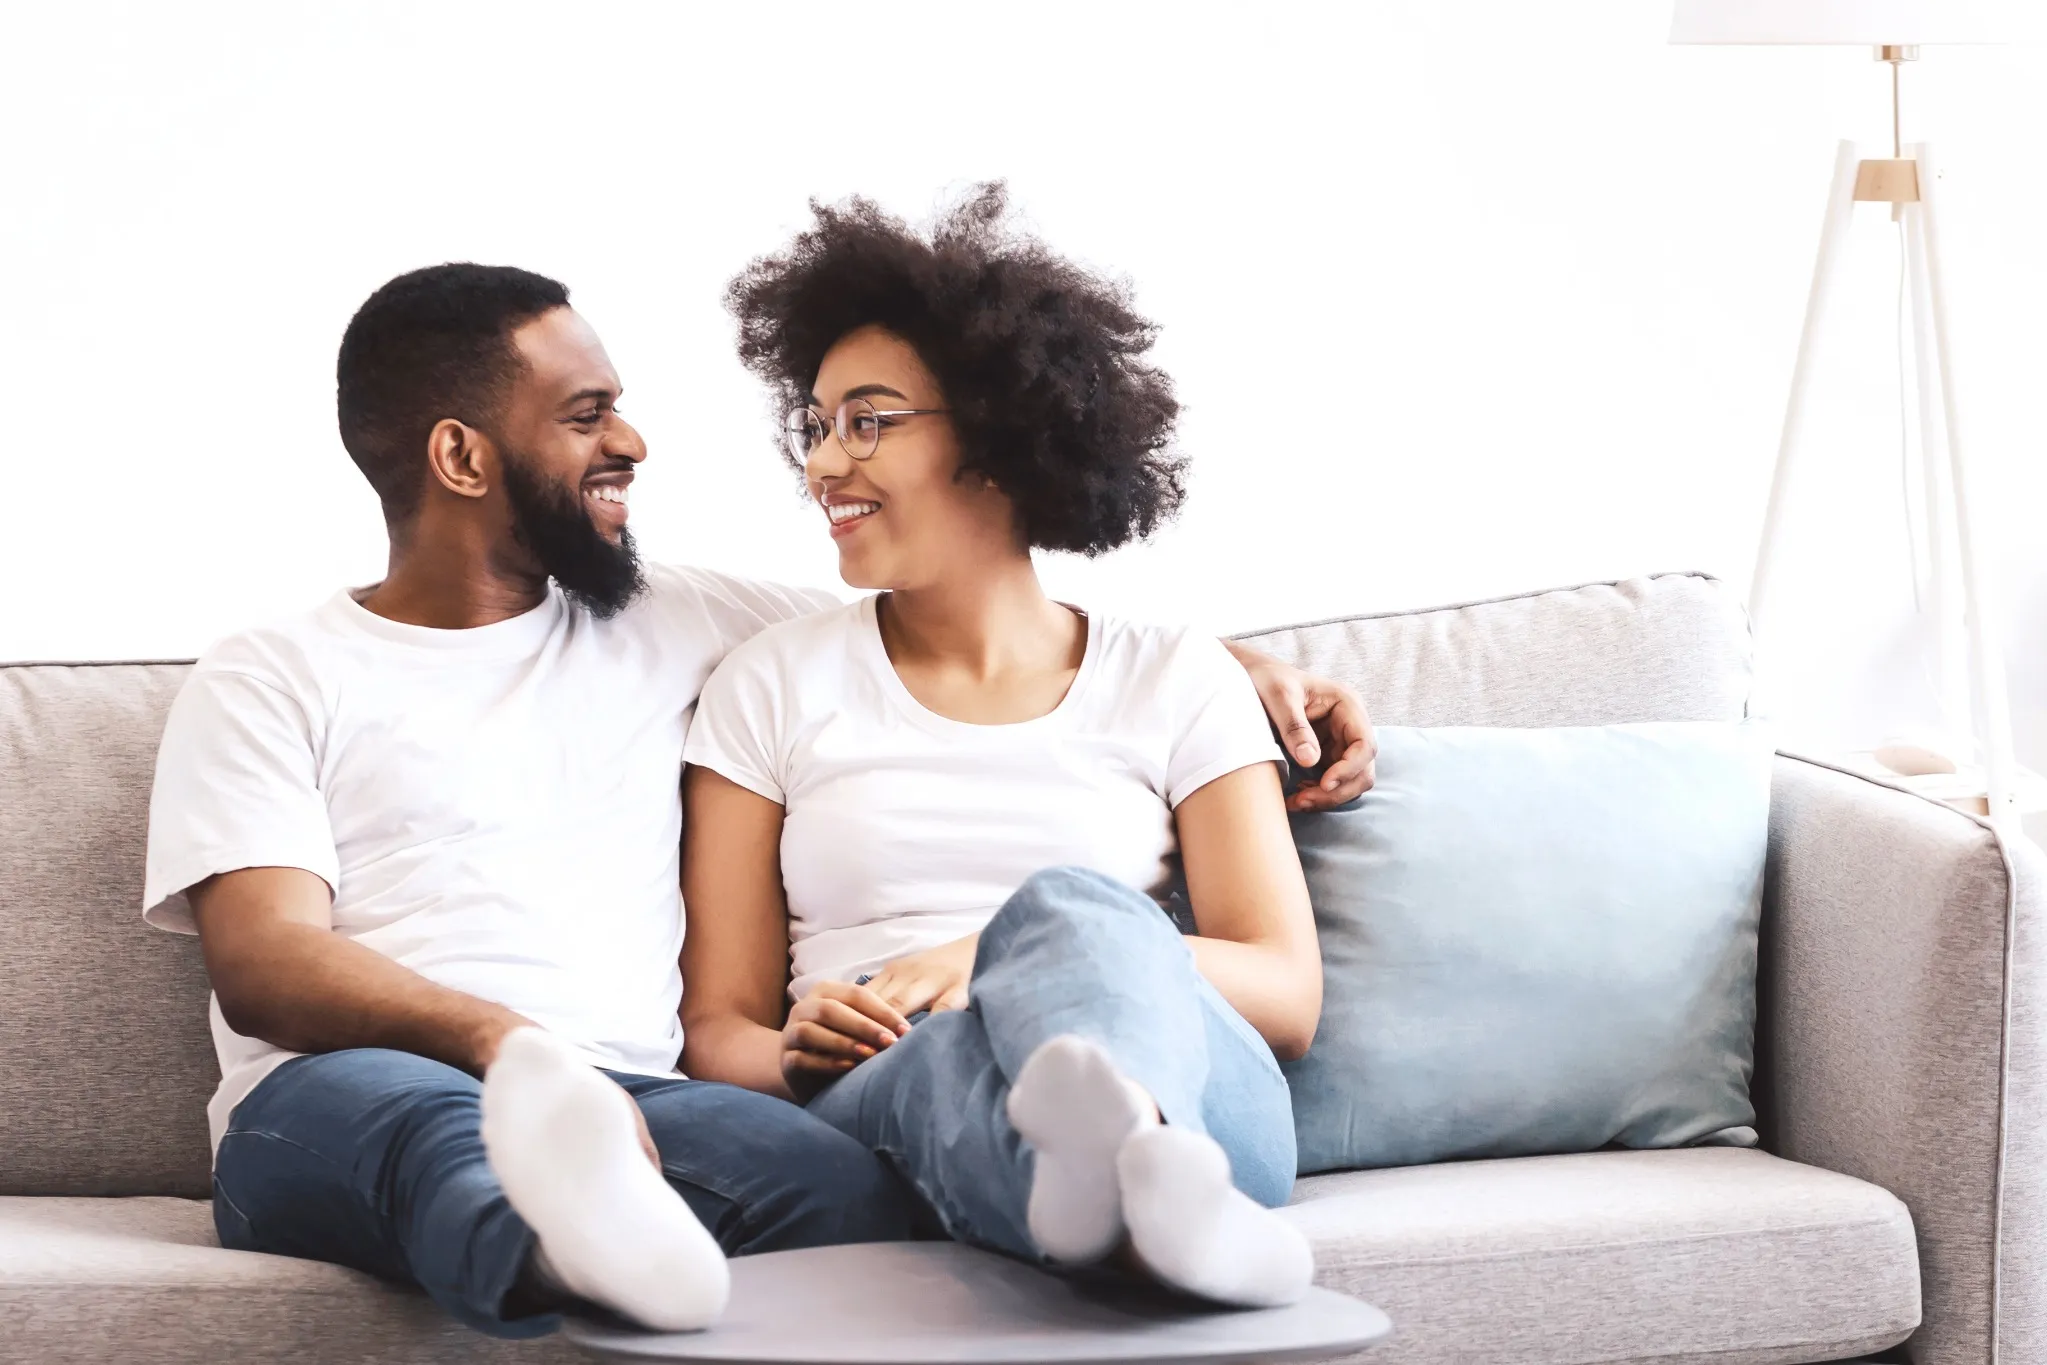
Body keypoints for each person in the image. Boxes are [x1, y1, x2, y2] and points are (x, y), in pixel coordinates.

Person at [143, 261, 1375, 1338]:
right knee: (437, 1135)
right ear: (461, 456)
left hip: (639, 1096)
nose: (632, 441)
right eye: (586, 414)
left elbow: (958, 606)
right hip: (347, 1086)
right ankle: (561, 1241)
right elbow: (266, 962)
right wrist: (504, 1043)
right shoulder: (272, 674)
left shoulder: (679, 622)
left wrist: (1239, 668)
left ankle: (635, 1221)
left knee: (843, 1188)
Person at [680, 186, 1330, 1310]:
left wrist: (1000, 954)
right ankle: (1146, 1213)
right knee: (939, 1058)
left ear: (994, 433)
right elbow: (714, 1030)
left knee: (1074, 907)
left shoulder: (1179, 676)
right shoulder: (769, 683)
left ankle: (1125, 1159)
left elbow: (1283, 990)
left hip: (1199, 1087)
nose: (824, 464)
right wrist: (793, 1049)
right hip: (898, 1069)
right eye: (817, 426)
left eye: (868, 421)